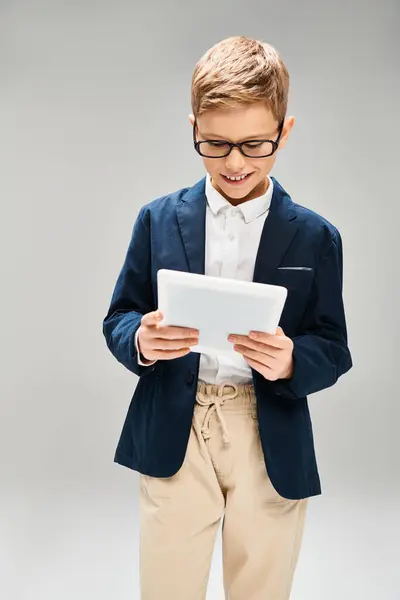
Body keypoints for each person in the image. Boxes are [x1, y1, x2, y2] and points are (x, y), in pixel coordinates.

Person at [102, 35, 353, 600]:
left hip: (268, 434)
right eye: (214, 144)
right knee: (167, 585)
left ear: (284, 132)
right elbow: (119, 315)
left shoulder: (316, 237)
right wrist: (140, 338)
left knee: (262, 587)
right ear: (192, 128)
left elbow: (334, 348)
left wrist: (293, 359)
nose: (235, 162)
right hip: (176, 424)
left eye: (255, 144)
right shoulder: (158, 219)